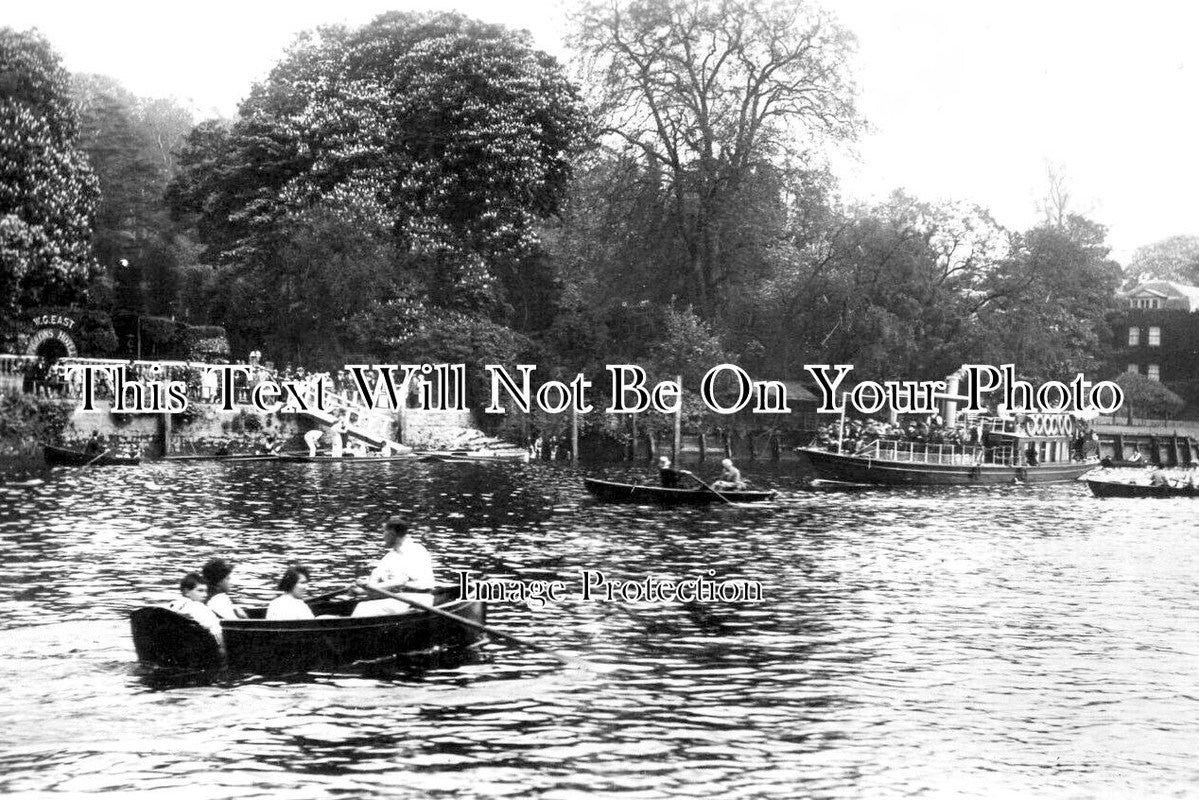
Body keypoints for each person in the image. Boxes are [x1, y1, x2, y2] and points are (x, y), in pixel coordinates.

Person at [352, 516, 435, 617]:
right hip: (402, 597)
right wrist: (363, 589)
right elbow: (376, 574)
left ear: (392, 533)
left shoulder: (415, 550)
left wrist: (369, 589)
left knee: (363, 607)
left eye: (384, 532)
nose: (383, 536)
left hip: (419, 600)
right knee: (361, 603)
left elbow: (400, 581)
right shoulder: (390, 556)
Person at [168, 572, 224, 648]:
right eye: (200, 591)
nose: (205, 595)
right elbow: (216, 630)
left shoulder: (173, 605)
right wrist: (222, 649)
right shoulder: (199, 607)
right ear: (186, 592)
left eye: (205, 591)